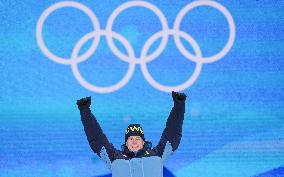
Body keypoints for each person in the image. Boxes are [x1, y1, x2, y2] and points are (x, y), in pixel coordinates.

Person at [77, 91, 187, 177]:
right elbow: (97, 138)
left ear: (143, 142)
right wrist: (85, 111)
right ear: (126, 143)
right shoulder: (114, 157)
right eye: (130, 139)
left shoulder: (157, 155)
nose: (134, 141)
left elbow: (172, 134)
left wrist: (179, 105)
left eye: (137, 138)